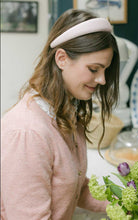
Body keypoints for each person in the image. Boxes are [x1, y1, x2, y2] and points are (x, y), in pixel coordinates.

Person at [1, 8, 120, 220]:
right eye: (94, 69)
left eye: (105, 70)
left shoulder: (65, 113)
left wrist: (121, 202)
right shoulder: (28, 133)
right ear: (62, 59)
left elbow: (75, 188)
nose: (102, 80)